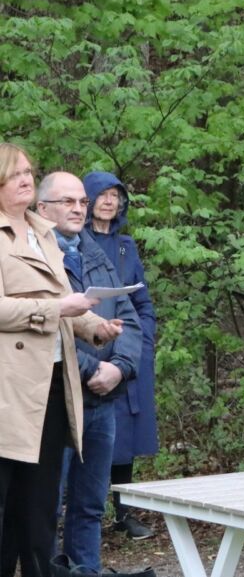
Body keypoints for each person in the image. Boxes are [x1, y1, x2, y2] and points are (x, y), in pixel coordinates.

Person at [0, 144, 122, 577]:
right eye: (15, 174)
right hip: (9, 393)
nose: (26, 179)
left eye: (30, 172)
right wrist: (58, 312)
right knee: (6, 514)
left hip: (53, 384)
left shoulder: (42, 232)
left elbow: (59, 299)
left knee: (39, 512)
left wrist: (92, 325)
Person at [36, 173, 142, 575]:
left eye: (82, 201)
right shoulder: (38, 258)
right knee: (46, 504)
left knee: (90, 505)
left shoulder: (94, 251)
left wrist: (120, 368)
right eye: (68, 202)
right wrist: (92, 367)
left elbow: (129, 318)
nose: (79, 209)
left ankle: (87, 570)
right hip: (58, 398)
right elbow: (45, 329)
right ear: (42, 209)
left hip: (103, 400)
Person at [82, 172, 158, 541]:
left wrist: (143, 343)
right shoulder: (73, 244)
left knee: (124, 436)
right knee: (84, 434)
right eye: (103, 195)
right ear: (88, 199)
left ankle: (124, 514)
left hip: (128, 355)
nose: (110, 202)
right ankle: (82, 518)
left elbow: (142, 302)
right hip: (88, 349)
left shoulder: (127, 246)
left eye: (116, 196)